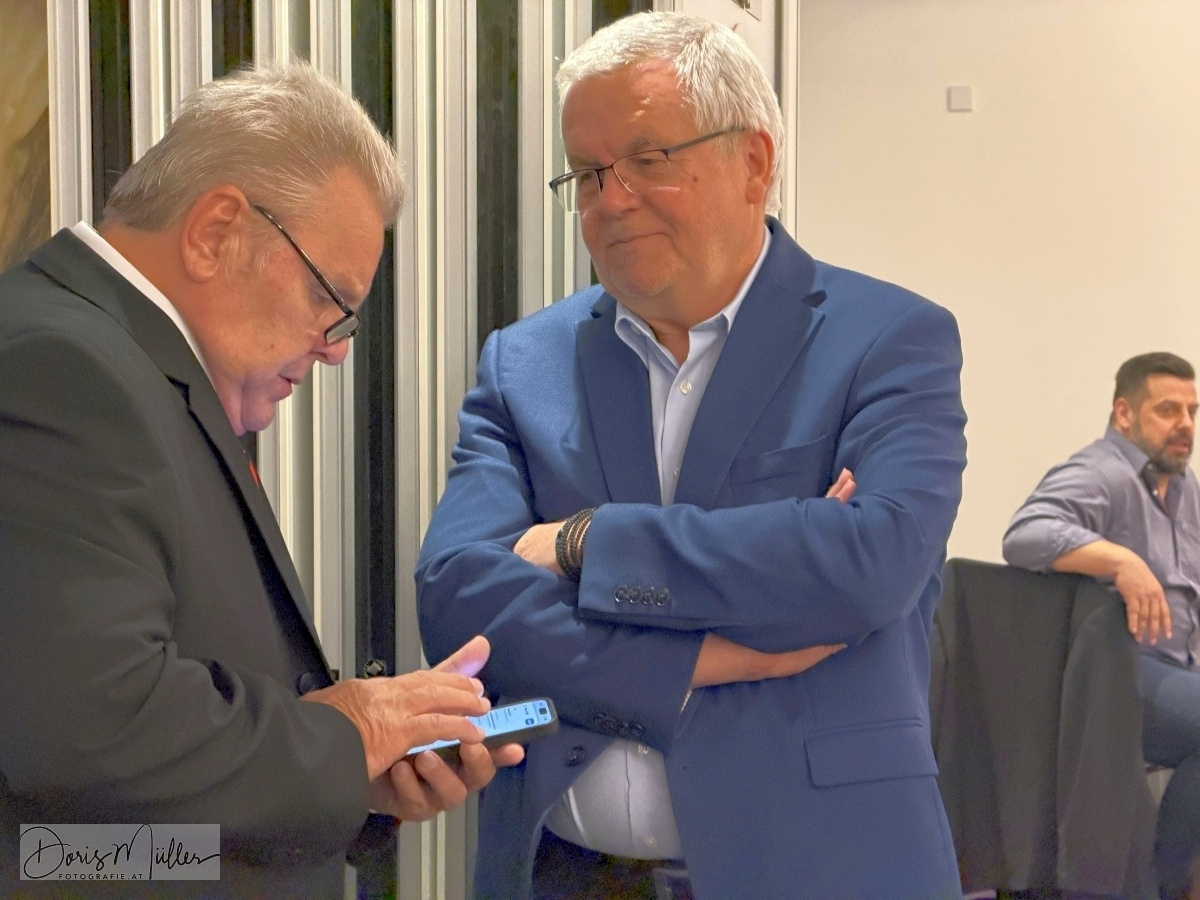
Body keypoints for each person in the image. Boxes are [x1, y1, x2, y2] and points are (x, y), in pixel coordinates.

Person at [416, 12, 967, 898]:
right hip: (561, 872)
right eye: (588, 173)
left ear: (754, 161)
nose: (611, 200)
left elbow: (870, 564)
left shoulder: (888, 339)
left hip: (821, 869)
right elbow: (458, 601)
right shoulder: (525, 363)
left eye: (648, 159)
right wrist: (708, 647)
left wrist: (585, 543)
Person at [0, 64, 521, 898]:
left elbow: (95, 822)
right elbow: (89, 732)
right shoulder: (61, 369)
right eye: (329, 299)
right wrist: (349, 739)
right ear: (216, 232)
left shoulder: (128, 369)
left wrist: (350, 778)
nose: (335, 348)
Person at [1004, 351, 1200, 899]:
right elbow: (1024, 534)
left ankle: (1164, 882)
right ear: (1124, 413)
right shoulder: (1101, 471)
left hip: (1176, 668)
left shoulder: (1184, 488)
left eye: (1192, 411)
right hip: (1118, 672)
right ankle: (1162, 887)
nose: (1185, 424)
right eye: (1167, 410)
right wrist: (1120, 560)